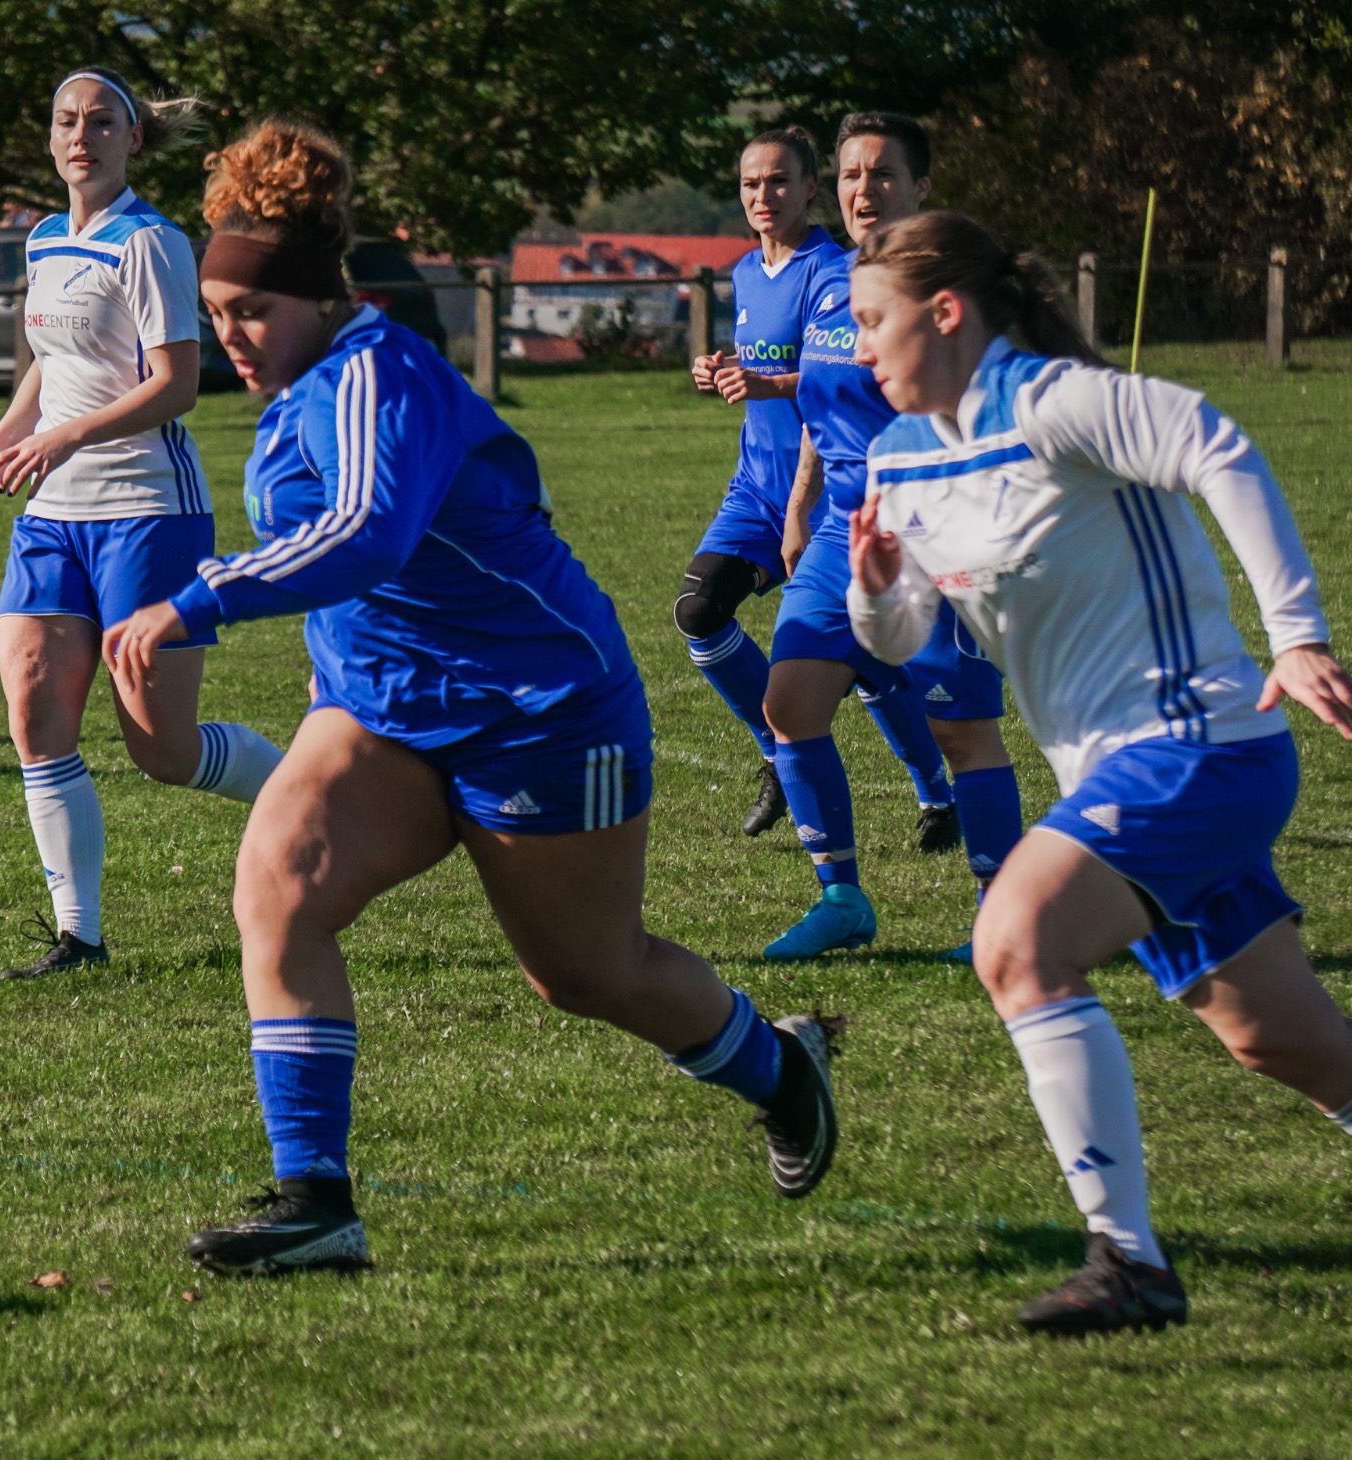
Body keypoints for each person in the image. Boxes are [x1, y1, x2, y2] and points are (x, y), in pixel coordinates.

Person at [103, 120, 841, 1276]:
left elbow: (365, 533)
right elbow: (350, 564)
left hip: (538, 711)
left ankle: (780, 1071)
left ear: (315, 300)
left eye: (250, 311)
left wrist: (193, 601)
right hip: (383, 714)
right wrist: (328, 670)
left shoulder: (377, 372)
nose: (228, 334)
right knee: (276, 886)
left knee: (584, 974)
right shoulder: (300, 384)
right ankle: (315, 1202)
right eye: (216, 311)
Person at [846, 209, 1352, 1335]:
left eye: (871, 320)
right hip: (1114, 782)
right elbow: (898, 636)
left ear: (947, 313)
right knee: (1286, 1043)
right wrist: (877, 586)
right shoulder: (897, 457)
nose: (859, 346)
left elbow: (1214, 444)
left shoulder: (1055, 403)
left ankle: (1128, 1262)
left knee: (1015, 940)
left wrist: (1295, 637)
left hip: (1199, 749)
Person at [0, 68, 284, 980]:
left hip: (148, 512)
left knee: (163, 751)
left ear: (133, 139)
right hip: (52, 516)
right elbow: (52, 361)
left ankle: (308, 790)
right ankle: (80, 938)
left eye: (102, 122)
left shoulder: (152, 242)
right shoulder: (45, 237)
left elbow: (176, 385)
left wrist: (62, 438)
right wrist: (4, 440)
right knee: (34, 712)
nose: (81, 136)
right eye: (67, 120)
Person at [760, 113, 1024, 961]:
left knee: (961, 732)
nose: (863, 189)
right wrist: (799, 507)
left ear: (920, 187)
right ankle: (841, 898)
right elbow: (820, 404)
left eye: (882, 174)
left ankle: (1001, 917)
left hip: (933, 530)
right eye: (850, 175)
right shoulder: (828, 282)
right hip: (841, 530)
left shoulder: (950, 291)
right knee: (789, 703)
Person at [683, 125, 952, 841]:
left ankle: (935, 791)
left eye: (779, 181)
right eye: (750, 183)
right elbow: (775, 366)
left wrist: (772, 388)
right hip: (756, 485)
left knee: (862, 658)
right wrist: (723, 371)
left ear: (810, 189)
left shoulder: (833, 268)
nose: (763, 195)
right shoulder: (746, 272)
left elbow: (836, 375)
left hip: (829, 489)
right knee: (699, 610)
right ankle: (779, 751)